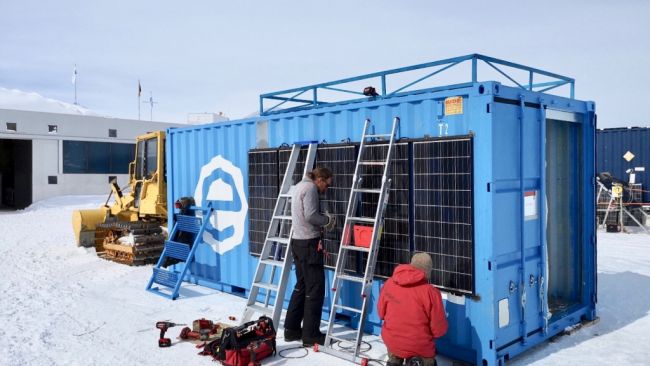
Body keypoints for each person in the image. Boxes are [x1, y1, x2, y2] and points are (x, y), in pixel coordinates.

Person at [283, 166, 336, 346]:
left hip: (297, 242)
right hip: (309, 244)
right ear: (320, 179)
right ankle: (311, 334)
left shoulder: (299, 186)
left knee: (302, 285)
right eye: (326, 185)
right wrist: (327, 220)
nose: (325, 189)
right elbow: (311, 216)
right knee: (315, 288)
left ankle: (291, 330)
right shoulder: (311, 188)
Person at [378, 253, 448, 366]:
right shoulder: (431, 292)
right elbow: (439, 330)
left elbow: (381, 313)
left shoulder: (389, 283)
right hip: (419, 345)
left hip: (392, 340)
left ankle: (394, 361)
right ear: (427, 271)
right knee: (427, 360)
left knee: (395, 350)